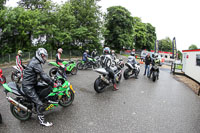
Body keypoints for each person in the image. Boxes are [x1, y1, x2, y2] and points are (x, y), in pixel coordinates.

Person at [22, 48, 54, 127]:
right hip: (28, 86)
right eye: (44, 57)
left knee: (44, 87)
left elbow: (40, 73)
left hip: (32, 83)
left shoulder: (35, 61)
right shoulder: (36, 63)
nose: (45, 58)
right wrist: (52, 82)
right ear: (41, 55)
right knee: (39, 103)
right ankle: (42, 122)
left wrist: (49, 79)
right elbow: (42, 75)